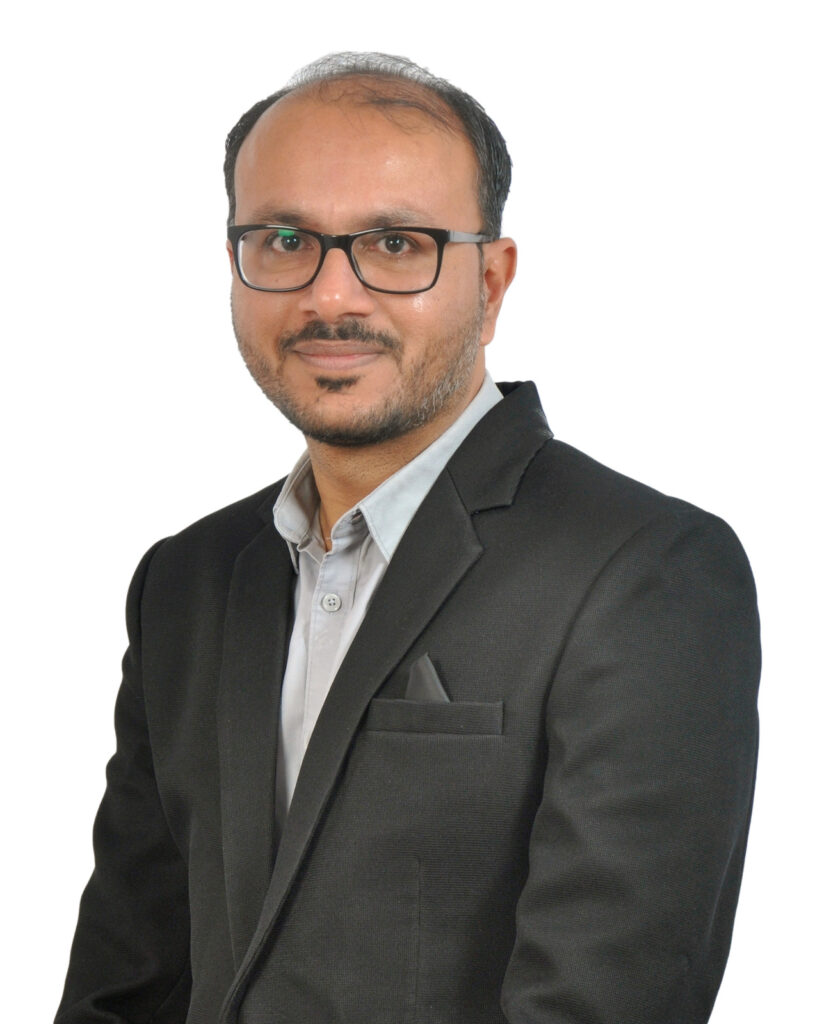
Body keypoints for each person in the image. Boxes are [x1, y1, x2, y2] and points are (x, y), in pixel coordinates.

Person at [56, 53, 760, 1024]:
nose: (330, 297)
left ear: (491, 281)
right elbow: (126, 982)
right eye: (285, 239)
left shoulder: (644, 573)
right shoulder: (185, 582)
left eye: (394, 244)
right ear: (234, 264)